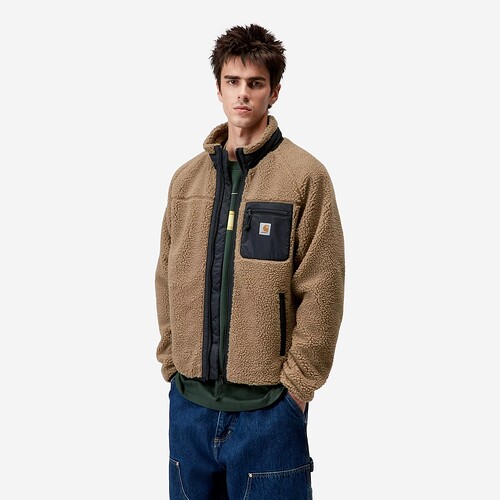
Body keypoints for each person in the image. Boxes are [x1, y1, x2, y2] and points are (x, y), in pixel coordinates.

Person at [155, 23, 345, 499]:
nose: (243, 94)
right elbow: (166, 276)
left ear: (274, 92)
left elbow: (323, 286)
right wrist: (172, 364)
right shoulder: (185, 181)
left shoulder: (304, 177)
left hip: (268, 412)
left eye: (255, 83)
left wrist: (297, 387)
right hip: (190, 409)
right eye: (233, 81)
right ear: (218, 88)